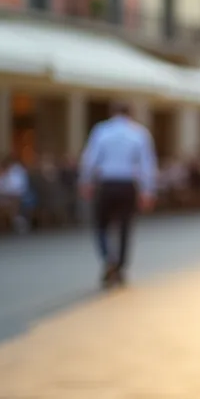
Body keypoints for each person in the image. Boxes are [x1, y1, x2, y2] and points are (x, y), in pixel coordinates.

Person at [79, 102, 157, 288]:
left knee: (101, 225)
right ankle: (120, 266)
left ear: (112, 112)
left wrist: (86, 181)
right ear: (131, 113)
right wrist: (148, 191)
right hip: (127, 184)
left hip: (107, 183)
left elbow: (90, 158)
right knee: (125, 227)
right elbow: (147, 164)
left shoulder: (102, 130)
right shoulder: (139, 133)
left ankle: (108, 259)